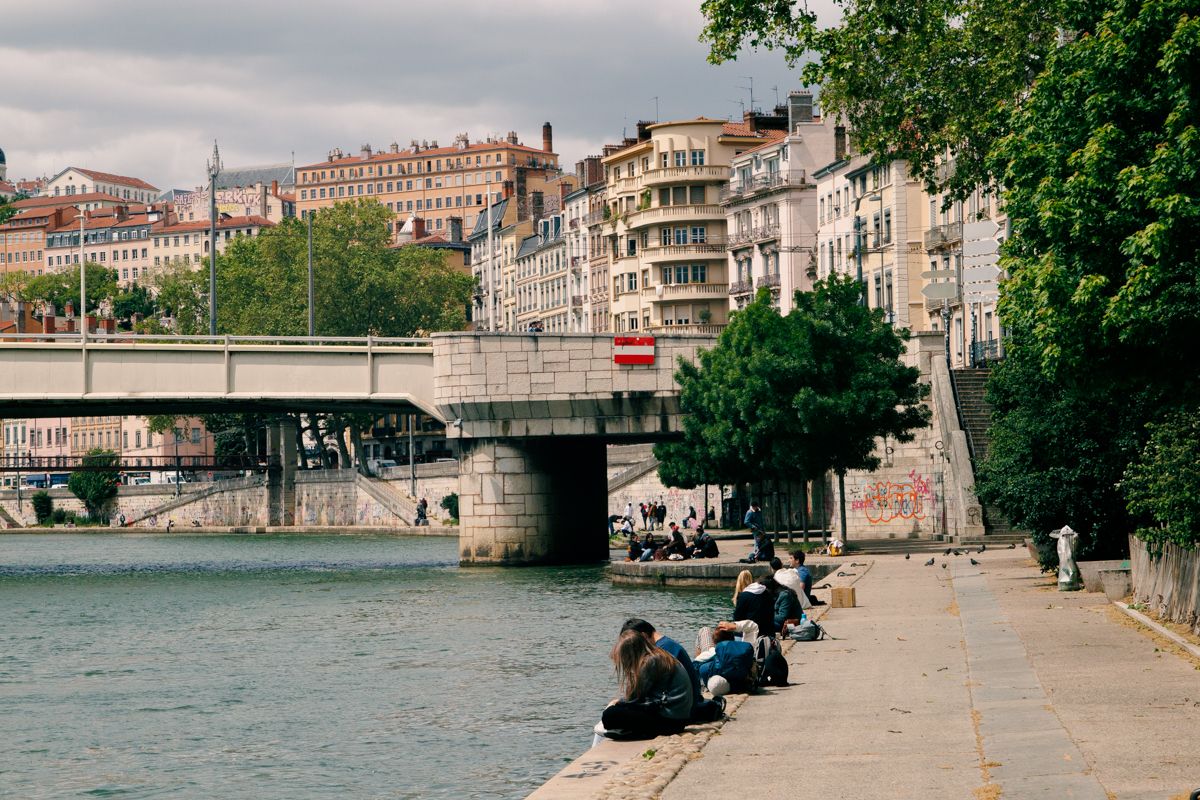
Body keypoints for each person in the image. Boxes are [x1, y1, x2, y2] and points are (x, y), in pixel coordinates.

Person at [621, 618, 723, 723]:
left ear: (643, 636)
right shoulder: (666, 644)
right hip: (689, 702)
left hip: (683, 709)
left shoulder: (661, 651)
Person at [598, 630, 694, 741]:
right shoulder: (660, 656)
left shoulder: (651, 662)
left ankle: (636, 732)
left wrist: (617, 703)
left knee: (610, 715)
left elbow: (635, 698)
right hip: (678, 720)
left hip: (670, 723)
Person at [694, 626, 756, 695]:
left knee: (704, 629)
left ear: (715, 643)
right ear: (733, 639)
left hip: (722, 682)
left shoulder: (713, 651)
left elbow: (697, 664)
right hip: (741, 682)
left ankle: (702, 688)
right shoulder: (743, 647)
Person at [734, 572, 779, 637]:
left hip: (752, 633)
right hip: (769, 633)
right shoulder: (768, 595)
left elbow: (737, 618)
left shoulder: (744, 596)